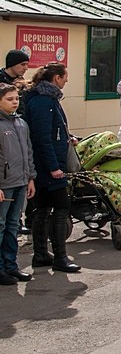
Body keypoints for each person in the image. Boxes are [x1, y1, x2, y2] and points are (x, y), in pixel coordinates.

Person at [21, 63, 80, 272]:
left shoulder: (48, 99)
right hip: (47, 166)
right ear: (56, 78)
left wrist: (67, 138)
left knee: (44, 208)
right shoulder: (43, 101)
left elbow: (52, 131)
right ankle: (60, 257)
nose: (67, 81)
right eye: (65, 77)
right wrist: (54, 167)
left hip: (46, 164)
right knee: (61, 206)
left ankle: (41, 254)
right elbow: (42, 138)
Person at [0, 83, 36, 284]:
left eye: (16, 98)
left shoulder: (21, 124)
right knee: (1, 225)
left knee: (13, 225)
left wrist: (30, 177)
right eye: (9, 99)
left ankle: (11, 266)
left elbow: (28, 152)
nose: (14, 102)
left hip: (21, 182)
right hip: (4, 184)